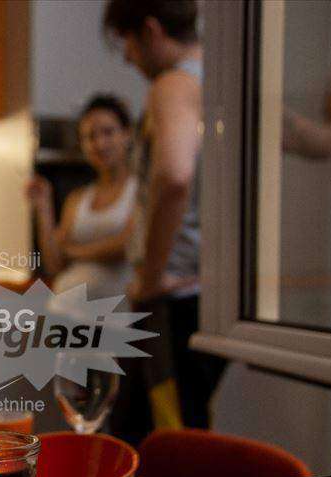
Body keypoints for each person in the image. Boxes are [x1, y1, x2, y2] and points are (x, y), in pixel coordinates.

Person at [102, 0, 225, 444]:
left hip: (171, 298)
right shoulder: (229, 83)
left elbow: (174, 177)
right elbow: (309, 139)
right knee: (158, 425)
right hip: (209, 293)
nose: (128, 57)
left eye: (128, 43)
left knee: (162, 440)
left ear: (151, 31)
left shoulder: (172, 85)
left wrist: (151, 278)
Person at [26, 95, 138, 300]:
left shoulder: (140, 192)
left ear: (127, 134)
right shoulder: (78, 199)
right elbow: (54, 263)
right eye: (90, 137)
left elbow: (127, 246)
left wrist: (73, 252)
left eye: (108, 132)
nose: (100, 144)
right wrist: (43, 206)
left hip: (117, 314)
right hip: (65, 311)